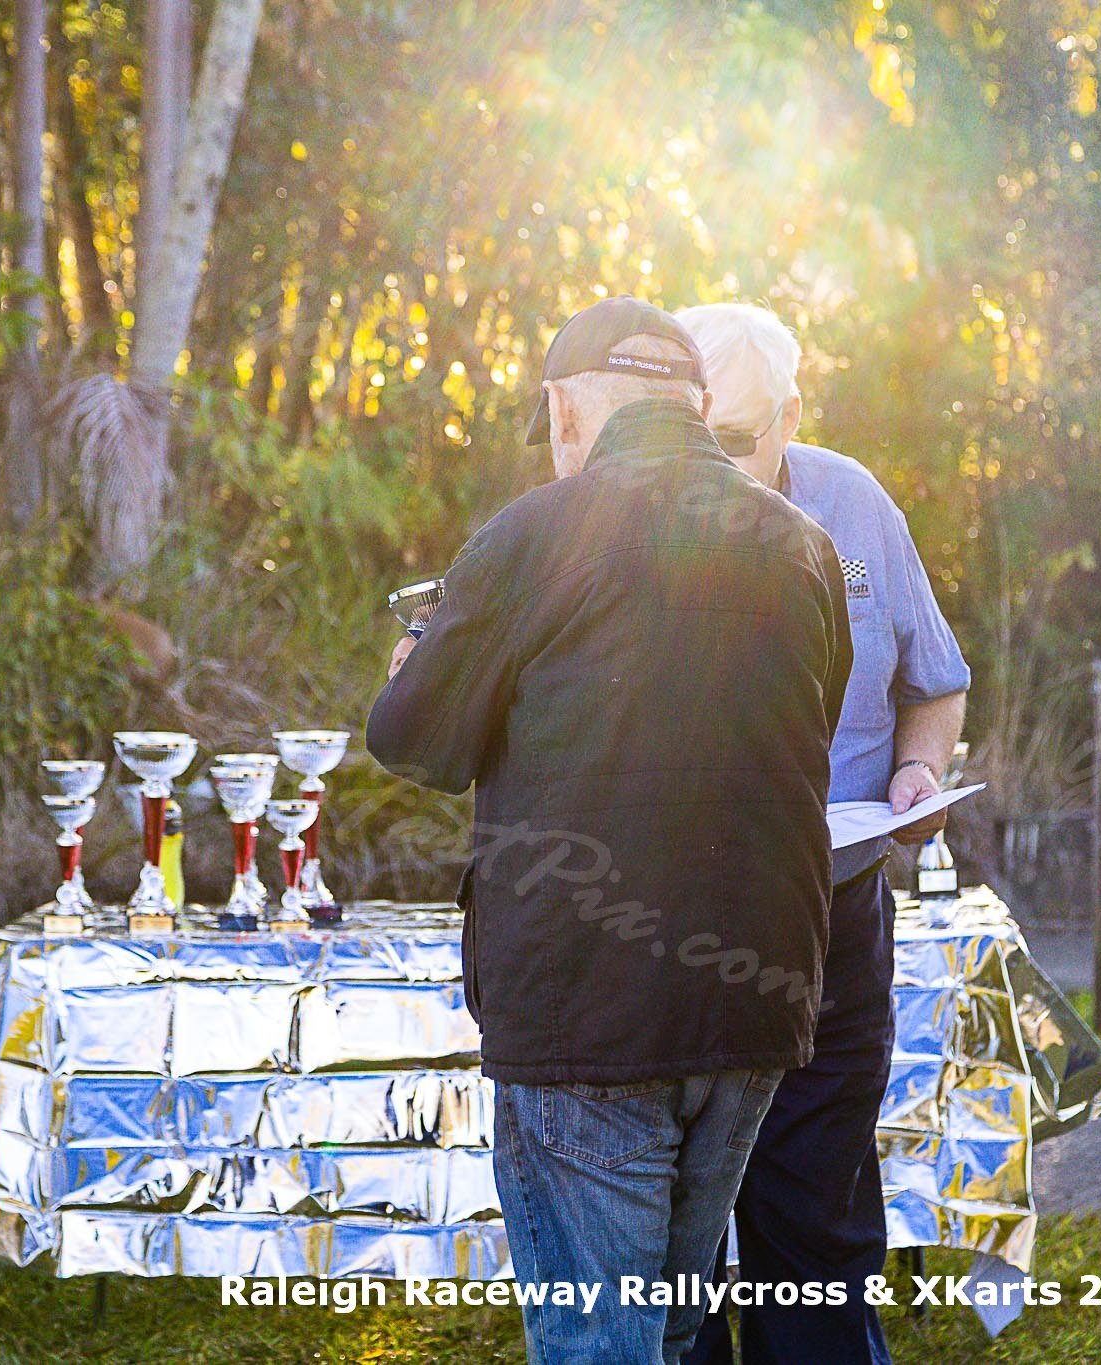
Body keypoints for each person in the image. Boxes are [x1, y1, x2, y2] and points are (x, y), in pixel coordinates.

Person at [366, 296, 853, 1364]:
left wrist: (415, 669)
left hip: (584, 1004)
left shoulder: (533, 533)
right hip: (754, 1004)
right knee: (673, 1325)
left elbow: (415, 744)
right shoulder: (803, 547)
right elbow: (799, 729)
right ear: (692, 406)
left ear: (567, 410)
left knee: (600, 1337)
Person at [673, 302, 971, 1365]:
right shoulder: (624, 522)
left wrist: (914, 771)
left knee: (817, 1238)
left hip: (834, 916)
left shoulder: (855, 505)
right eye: (698, 438)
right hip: (674, 926)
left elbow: (933, 685)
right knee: (680, 1253)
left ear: (792, 414)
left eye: (742, 438)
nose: (721, 465)